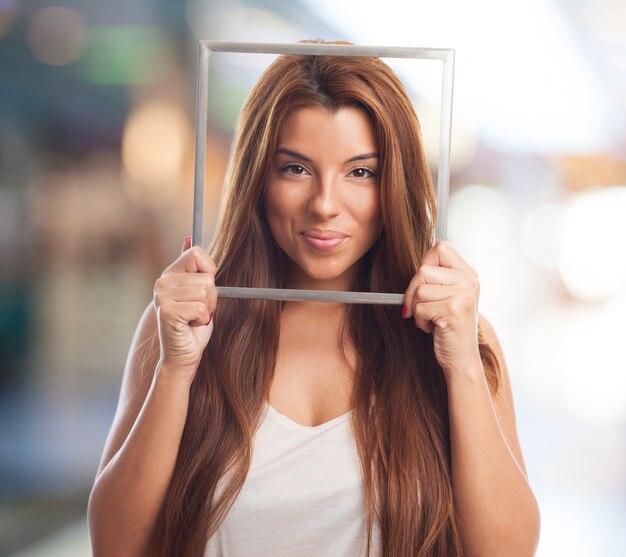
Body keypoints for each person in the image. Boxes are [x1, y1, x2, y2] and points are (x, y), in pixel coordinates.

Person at [88, 41, 540, 557]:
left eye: (360, 172)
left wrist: (460, 365)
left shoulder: (457, 340)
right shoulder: (183, 326)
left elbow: (509, 552)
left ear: (395, 181)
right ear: (259, 177)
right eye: (296, 169)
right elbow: (115, 547)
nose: (325, 205)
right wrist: (175, 371)